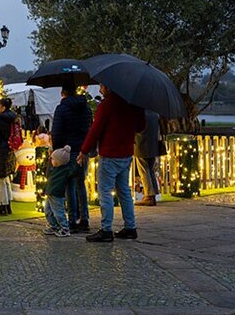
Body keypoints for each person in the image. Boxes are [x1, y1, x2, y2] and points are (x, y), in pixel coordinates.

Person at [77, 84, 144, 243]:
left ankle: (106, 229)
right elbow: (141, 126)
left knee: (105, 192)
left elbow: (95, 130)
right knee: (124, 191)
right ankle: (130, 227)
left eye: (101, 86)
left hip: (110, 153)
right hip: (126, 152)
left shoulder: (107, 105)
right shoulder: (132, 103)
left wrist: (84, 150)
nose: (100, 90)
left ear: (108, 87)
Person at [51, 83, 93, 233]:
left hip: (67, 150)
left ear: (63, 93)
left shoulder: (61, 108)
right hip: (83, 149)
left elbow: (56, 131)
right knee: (81, 184)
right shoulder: (86, 108)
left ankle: (72, 220)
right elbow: (90, 127)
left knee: (69, 185)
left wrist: (57, 150)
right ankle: (85, 219)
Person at [43, 146, 74, 237]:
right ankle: (54, 225)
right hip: (51, 193)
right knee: (48, 211)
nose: (51, 161)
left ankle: (65, 228)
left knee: (58, 212)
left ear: (58, 161)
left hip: (56, 194)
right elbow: (48, 178)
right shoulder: (54, 169)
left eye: (52, 159)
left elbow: (73, 173)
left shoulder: (65, 171)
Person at [134, 110, 162, 206]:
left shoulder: (140, 114)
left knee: (144, 170)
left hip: (141, 144)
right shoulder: (155, 114)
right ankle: (153, 194)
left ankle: (149, 195)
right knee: (150, 169)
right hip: (153, 145)